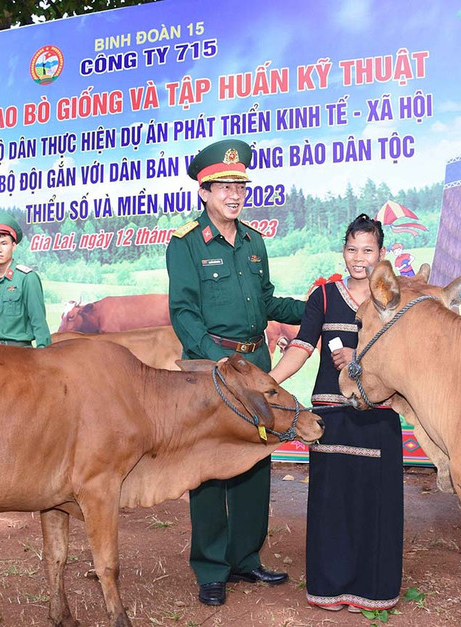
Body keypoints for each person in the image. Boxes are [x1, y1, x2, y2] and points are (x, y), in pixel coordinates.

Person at [166, 138, 305, 607]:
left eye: (239, 185)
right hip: (210, 370)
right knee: (208, 470)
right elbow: (183, 311)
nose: (233, 193)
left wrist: (317, 309)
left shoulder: (254, 241)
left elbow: (266, 302)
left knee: (255, 461)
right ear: (204, 191)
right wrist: (215, 357)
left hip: (255, 367)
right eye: (222, 186)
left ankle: (246, 557)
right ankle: (211, 567)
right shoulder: (185, 244)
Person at [270, 214, 404, 613]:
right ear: (342, 251)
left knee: (373, 503)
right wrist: (266, 382)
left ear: (382, 254)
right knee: (332, 503)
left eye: (367, 250)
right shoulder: (324, 297)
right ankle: (329, 589)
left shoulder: (394, 300)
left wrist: (360, 356)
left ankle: (373, 592)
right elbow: (302, 347)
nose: (358, 258)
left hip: (378, 413)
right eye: (351, 249)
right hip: (331, 413)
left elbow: (404, 356)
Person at [0, 213, 51, 348]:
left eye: (4, 243)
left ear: (14, 246)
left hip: (18, 356)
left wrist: (45, 358)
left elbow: (39, 323)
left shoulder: (27, 278)